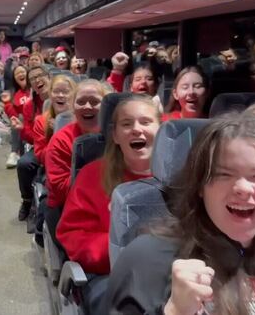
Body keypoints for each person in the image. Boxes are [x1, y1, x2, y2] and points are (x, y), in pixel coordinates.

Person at [104, 112, 255, 314]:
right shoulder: (146, 260)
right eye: (223, 174)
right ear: (200, 186)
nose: (244, 188)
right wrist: (174, 311)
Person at [57, 95, 160, 277]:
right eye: (127, 124)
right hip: (111, 273)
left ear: (161, 130)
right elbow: (73, 236)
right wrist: (128, 249)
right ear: (116, 136)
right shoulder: (92, 175)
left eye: (145, 122)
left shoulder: (182, 176)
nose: (137, 129)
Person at [45, 79, 111, 241]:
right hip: (67, 209)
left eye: (95, 102)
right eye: (81, 102)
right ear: (73, 107)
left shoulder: (118, 135)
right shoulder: (60, 140)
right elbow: (60, 188)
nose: (87, 106)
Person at [14, 66, 52, 221]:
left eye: (40, 76)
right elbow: (32, 138)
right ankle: (27, 200)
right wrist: (22, 130)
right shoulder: (30, 106)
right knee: (23, 164)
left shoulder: (61, 97)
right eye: (33, 79)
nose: (37, 80)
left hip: (64, 144)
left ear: (49, 77)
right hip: (41, 146)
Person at [32, 75, 77, 167]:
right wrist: (56, 134)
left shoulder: (81, 119)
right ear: (50, 94)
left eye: (66, 92)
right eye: (56, 92)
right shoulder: (41, 121)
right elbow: (41, 156)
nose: (60, 95)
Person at [2, 65, 30, 168]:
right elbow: (13, 115)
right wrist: (8, 105)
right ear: (15, 79)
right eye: (17, 73)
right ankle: (14, 152)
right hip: (23, 124)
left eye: (22, 71)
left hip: (36, 120)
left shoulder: (34, 90)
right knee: (18, 119)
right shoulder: (14, 94)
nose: (21, 74)